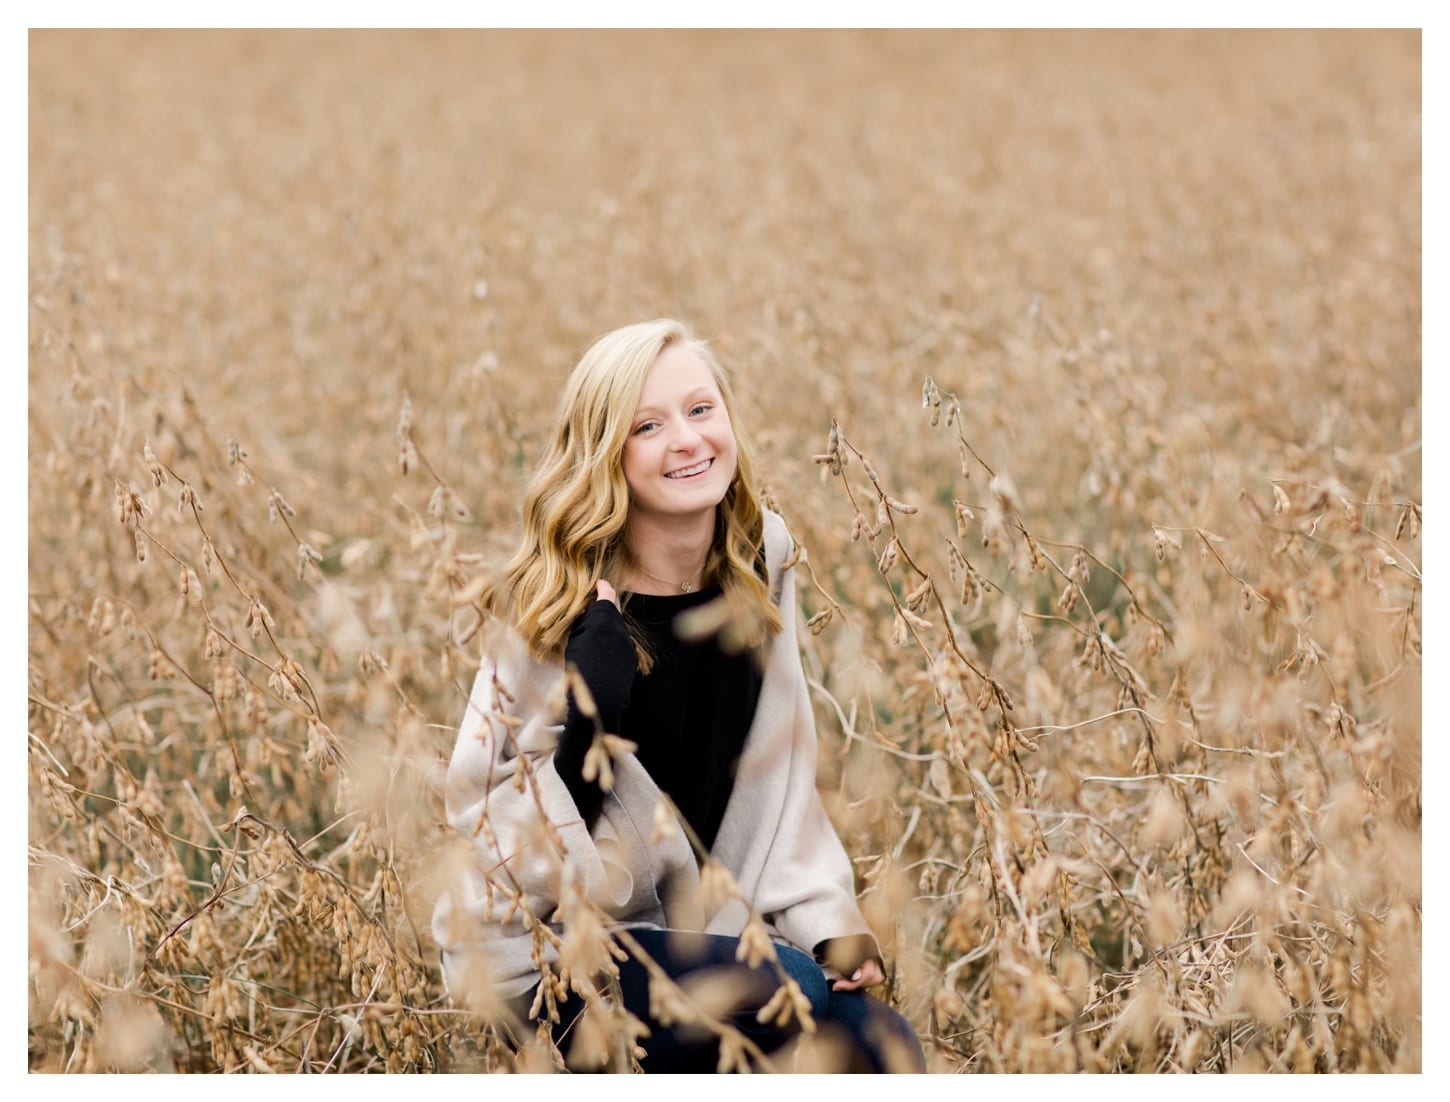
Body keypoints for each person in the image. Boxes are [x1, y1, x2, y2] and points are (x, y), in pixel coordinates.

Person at [432, 319, 926, 1073]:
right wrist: (587, 722)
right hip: (544, 955)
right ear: (606, 455)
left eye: (702, 410)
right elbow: (489, 842)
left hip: (708, 931)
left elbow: (779, 772)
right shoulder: (551, 604)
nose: (689, 441)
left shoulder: (761, 556)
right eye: (649, 426)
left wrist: (827, 922)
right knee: (780, 991)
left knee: (878, 1045)